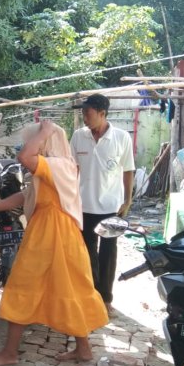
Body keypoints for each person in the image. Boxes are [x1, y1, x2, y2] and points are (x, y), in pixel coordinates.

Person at [0, 121, 108, 366]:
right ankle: (83, 349)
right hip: (59, 233)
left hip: (51, 233)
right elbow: (26, 195)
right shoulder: (56, 167)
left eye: (34, 139)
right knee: (70, 288)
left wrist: (45, 130)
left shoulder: (57, 165)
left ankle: (10, 353)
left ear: (47, 141)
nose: (28, 143)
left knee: (22, 287)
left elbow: (25, 156)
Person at [70, 94, 135, 314]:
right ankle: (91, 295)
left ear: (102, 113)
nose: (84, 118)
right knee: (87, 253)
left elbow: (128, 169)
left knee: (108, 254)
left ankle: (105, 298)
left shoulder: (121, 137)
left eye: (87, 114)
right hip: (83, 207)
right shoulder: (79, 137)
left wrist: (128, 199)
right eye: (83, 114)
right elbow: (72, 169)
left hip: (111, 207)